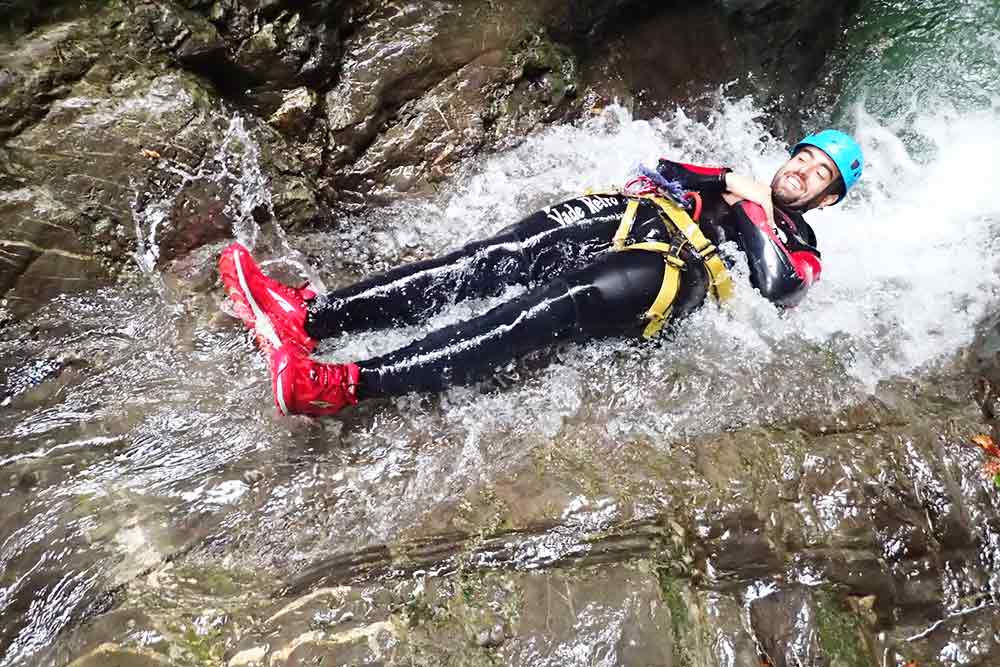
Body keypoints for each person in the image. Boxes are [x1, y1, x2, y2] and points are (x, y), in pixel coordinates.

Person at [218, 130, 864, 416]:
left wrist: (750, 201)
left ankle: (336, 383)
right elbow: (666, 168)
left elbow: (778, 284)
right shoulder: (739, 177)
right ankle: (305, 317)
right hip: (632, 214)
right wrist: (725, 179)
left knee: (538, 313)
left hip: (670, 272)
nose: (801, 171)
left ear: (828, 199)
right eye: (803, 156)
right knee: (481, 262)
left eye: (817, 174)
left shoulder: (803, 246)